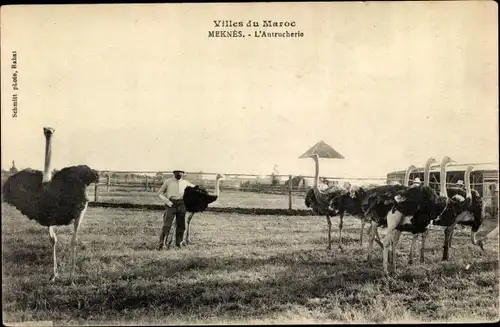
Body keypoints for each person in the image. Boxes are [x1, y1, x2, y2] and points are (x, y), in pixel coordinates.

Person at [157, 169, 195, 250]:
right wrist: (167, 202)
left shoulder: (186, 183)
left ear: (183, 173)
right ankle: (162, 244)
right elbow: (159, 193)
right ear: (174, 173)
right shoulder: (168, 181)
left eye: (181, 172)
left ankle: (179, 243)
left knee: (181, 225)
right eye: (177, 172)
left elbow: (196, 189)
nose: (179, 173)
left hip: (182, 204)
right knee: (167, 224)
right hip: (171, 204)